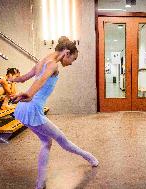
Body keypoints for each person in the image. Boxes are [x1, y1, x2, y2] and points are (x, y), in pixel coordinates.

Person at [10, 36, 99, 189]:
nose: (71, 63)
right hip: (32, 109)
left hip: (24, 109)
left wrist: (13, 81)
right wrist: (29, 94)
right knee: (62, 141)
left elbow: (25, 77)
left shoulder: (44, 60)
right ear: (67, 53)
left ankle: (40, 183)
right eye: (73, 59)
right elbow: (40, 81)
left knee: (46, 142)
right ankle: (90, 158)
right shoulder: (53, 65)